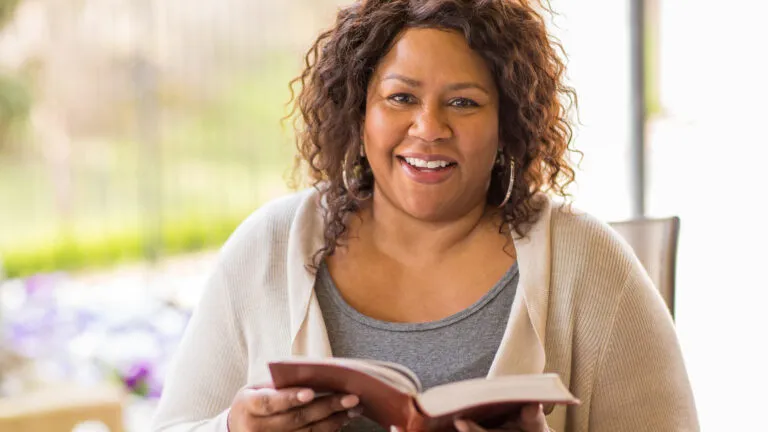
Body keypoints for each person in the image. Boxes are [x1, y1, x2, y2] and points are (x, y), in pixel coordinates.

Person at [151, 0, 698, 431]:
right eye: (400, 98)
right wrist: (233, 429)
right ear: (359, 113)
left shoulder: (591, 263)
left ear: (507, 123)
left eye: (463, 102)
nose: (429, 128)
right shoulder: (268, 247)